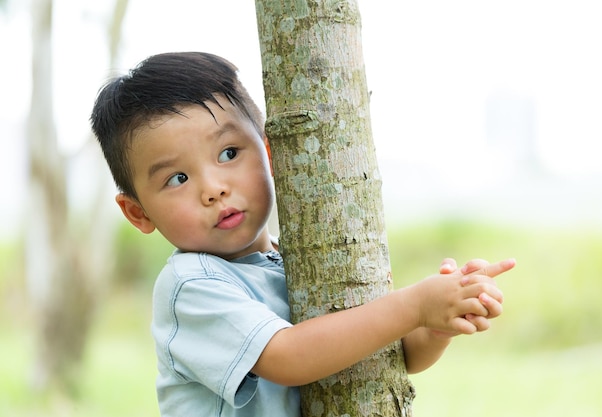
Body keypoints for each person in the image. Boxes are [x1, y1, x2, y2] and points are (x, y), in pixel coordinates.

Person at [90, 51, 515, 417]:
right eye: (178, 178)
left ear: (270, 153)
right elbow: (288, 357)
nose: (213, 188)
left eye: (228, 153)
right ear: (138, 212)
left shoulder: (297, 261)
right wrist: (413, 305)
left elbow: (390, 356)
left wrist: (438, 322)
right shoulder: (190, 286)